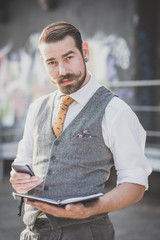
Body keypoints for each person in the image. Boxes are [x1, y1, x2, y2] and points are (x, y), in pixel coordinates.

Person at [10, 21, 152, 240]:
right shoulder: (37, 107)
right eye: (52, 62)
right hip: (32, 233)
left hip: (85, 232)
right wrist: (18, 177)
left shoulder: (115, 111)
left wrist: (91, 209)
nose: (63, 71)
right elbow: (23, 162)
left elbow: (135, 183)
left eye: (69, 58)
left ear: (84, 52)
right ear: (43, 63)